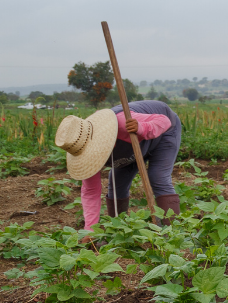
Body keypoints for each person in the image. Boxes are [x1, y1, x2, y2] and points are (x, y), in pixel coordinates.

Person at [53, 99, 183, 230]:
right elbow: (91, 192)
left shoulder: (121, 121)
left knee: (157, 177)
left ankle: (171, 233)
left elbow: (164, 120)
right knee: (116, 184)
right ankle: (119, 230)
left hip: (164, 133)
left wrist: (141, 128)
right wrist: (90, 230)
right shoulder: (81, 146)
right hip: (131, 147)